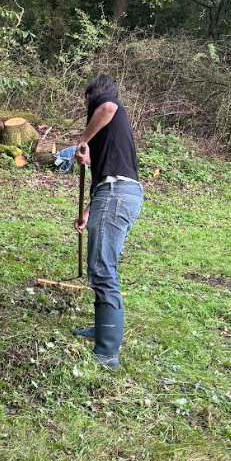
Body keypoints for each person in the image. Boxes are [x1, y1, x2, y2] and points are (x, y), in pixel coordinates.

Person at [72, 75, 142, 369]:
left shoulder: (105, 103)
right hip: (113, 195)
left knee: (102, 270)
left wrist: (83, 140)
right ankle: (102, 330)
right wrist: (89, 211)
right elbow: (106, 175)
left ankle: (108, 353)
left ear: (92, 96)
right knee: (100, 265)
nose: (87, 106)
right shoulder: (110, 135)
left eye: (86, 101)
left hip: (116, 196)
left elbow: (109, 107)